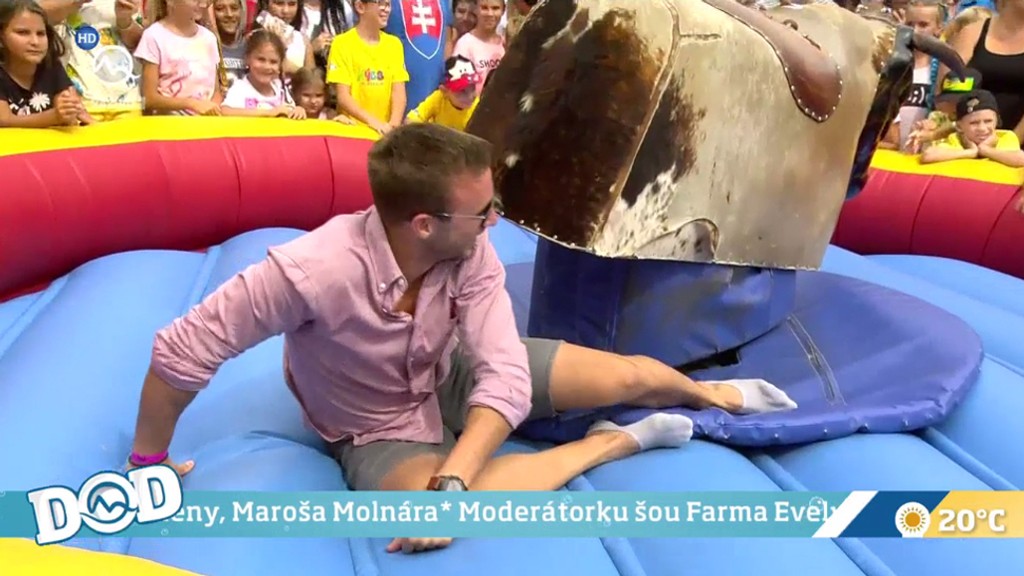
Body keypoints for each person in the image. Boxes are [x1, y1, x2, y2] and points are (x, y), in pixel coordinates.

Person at [126, 122, 798, 554]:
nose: (495, 221)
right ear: (424, 223)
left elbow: (502, 371)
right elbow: (183, 350)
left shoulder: (470, 250)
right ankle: (614, 441)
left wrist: (453, 479)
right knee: (456, 510)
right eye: (483, 211)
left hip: (448, 371)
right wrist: (149, 460)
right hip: (372, 424)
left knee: (627, 376)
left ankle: (708, 394)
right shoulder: (309, 272)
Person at [39, 0, 146, 121]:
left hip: (128, 100)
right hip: (78, 102)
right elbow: (32, 13)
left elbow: (142, 46)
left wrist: (125, 21)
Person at [0, 0, 93, 127]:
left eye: (41, 34)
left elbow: (77, 114)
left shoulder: (51, 66)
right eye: (23, 32)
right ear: (1, 36)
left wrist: (70, 113)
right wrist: (54, 117)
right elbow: (4, 120)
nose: (35, 42)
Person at [325, 0, 408, 134]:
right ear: (360, 6)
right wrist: (373, 122)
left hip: (386, 133)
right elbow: (343, 96)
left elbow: (399, 93)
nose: (386, 9)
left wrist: (393, 126)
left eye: (388, 4)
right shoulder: (342, 44)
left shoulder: (394, 45)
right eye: (380, 3)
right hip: (353, 131)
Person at [134, 0, 223, 115]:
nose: (203, 4)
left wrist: (213, 108)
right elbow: (149, 99)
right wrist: (192, 104)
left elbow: (215, 91)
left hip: (205, 123)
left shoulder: (209, 38)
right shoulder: (153, 36)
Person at [920, 89, 1024, 166]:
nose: (982, 128)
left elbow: (1021, 159)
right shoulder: (956, 138)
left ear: (997, 121)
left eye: (988, 121)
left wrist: (985, 150)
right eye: (974, 123)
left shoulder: (1005, 136)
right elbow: (928, 155)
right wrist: (971, 152)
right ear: (959, 127)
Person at [221, 29, 305, 117]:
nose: (267, 67)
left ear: (280, 64)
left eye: (273, 62)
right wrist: (269, 113)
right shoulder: (240, 88)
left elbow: (290, 110)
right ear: (247, 59)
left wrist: (298, 110)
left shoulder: (280, 88)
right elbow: (225, 111)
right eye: (261, 59)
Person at [404, 55, 478, 131]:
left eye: (473, 88)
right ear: (444, 90)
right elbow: (411, 120)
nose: (470, 96)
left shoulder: (478, 106)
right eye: (462, 91)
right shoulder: (438, 99)